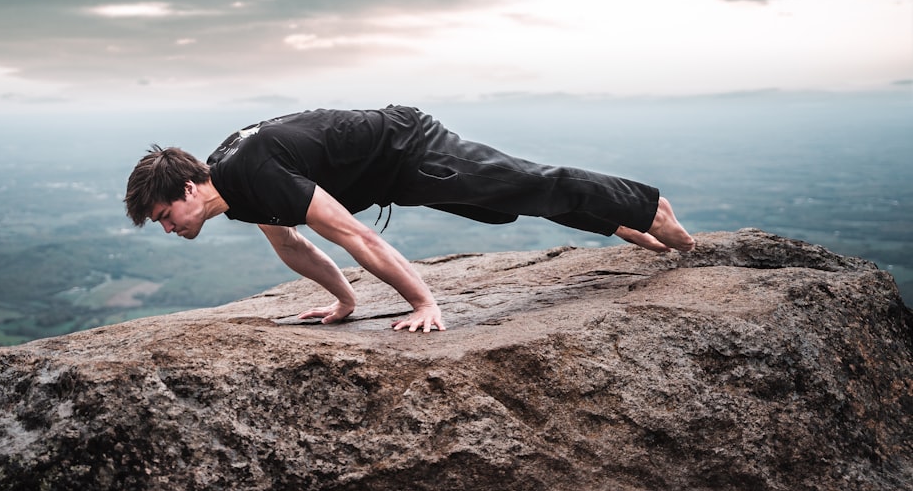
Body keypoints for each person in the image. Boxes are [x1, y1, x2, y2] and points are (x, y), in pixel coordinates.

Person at [124, 105, 695, 333]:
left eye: (165, 214)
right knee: (501, 207)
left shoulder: (253, 172)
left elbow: (353, 234)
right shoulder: (235, 188)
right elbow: (292, 244)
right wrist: (347, 303)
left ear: (190, 187)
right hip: (397, 175)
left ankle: (647, 206)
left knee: (524, 184)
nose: (169, 228)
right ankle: (616, 219)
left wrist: (425, 303)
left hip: (409, 148)